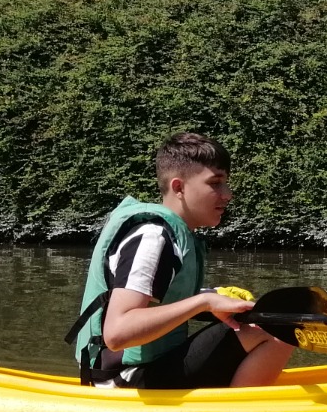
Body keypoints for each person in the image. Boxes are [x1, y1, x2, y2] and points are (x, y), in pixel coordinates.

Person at [70, 132, 298, 389]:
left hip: (149, 367)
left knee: (260, 323)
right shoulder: (153, 238)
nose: (227, 194)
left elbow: (158, 302)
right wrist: (203, 302)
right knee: (275, 331)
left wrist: (211, 297)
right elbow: (117, 333)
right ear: (179, 187)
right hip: (122, 379)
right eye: (215, 183)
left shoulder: (170, 235)